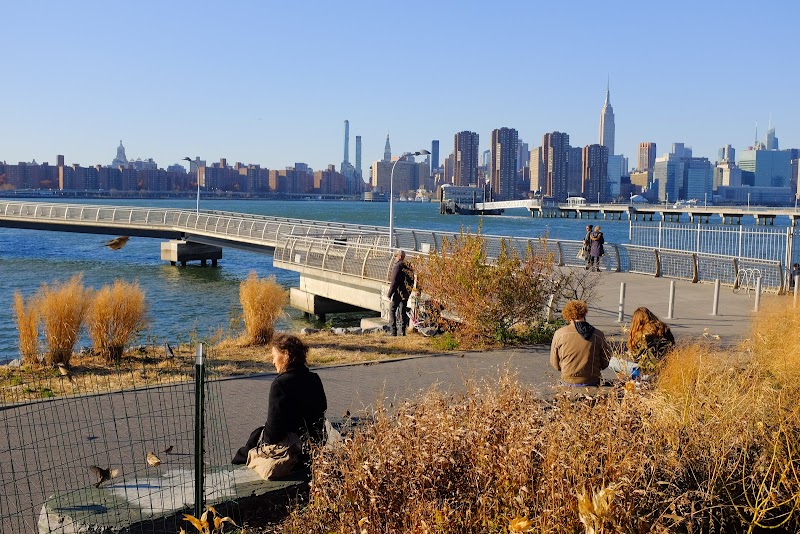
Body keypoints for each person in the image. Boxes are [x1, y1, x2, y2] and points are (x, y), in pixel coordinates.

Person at [232, 334, 327, 468]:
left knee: (246, 449)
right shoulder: (314, 378)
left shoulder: (280, 384)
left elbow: (273, 434)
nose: (273, 362)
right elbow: (320, 413)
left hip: (292, 453)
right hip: (314, 449)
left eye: (274, 356)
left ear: (286, 355)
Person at [550, 300, 611, 386]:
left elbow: (555, 363)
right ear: (584, 313)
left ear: (567, 316)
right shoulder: (598, 334)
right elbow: (605, 362)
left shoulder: (560, 334)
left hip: (568, 380)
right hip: (592, 380)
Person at [609, 307, 675, 379]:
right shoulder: (664, 328)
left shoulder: (640, 334)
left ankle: (637, 379)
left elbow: (636, 358)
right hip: (666, 370)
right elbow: (672, 346)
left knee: (611, 361)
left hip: (646, 374)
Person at [387, 249, 414, 336]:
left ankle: (393, 331)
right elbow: (412, 279)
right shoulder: (408, 265)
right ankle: (402, 331)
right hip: (406, 292)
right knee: (403, 311)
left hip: (398, 292)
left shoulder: (397, 266)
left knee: (392, 310)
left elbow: (394, 281)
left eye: (395, 256)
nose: (395, 258)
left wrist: (389, 294)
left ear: (399, 256)